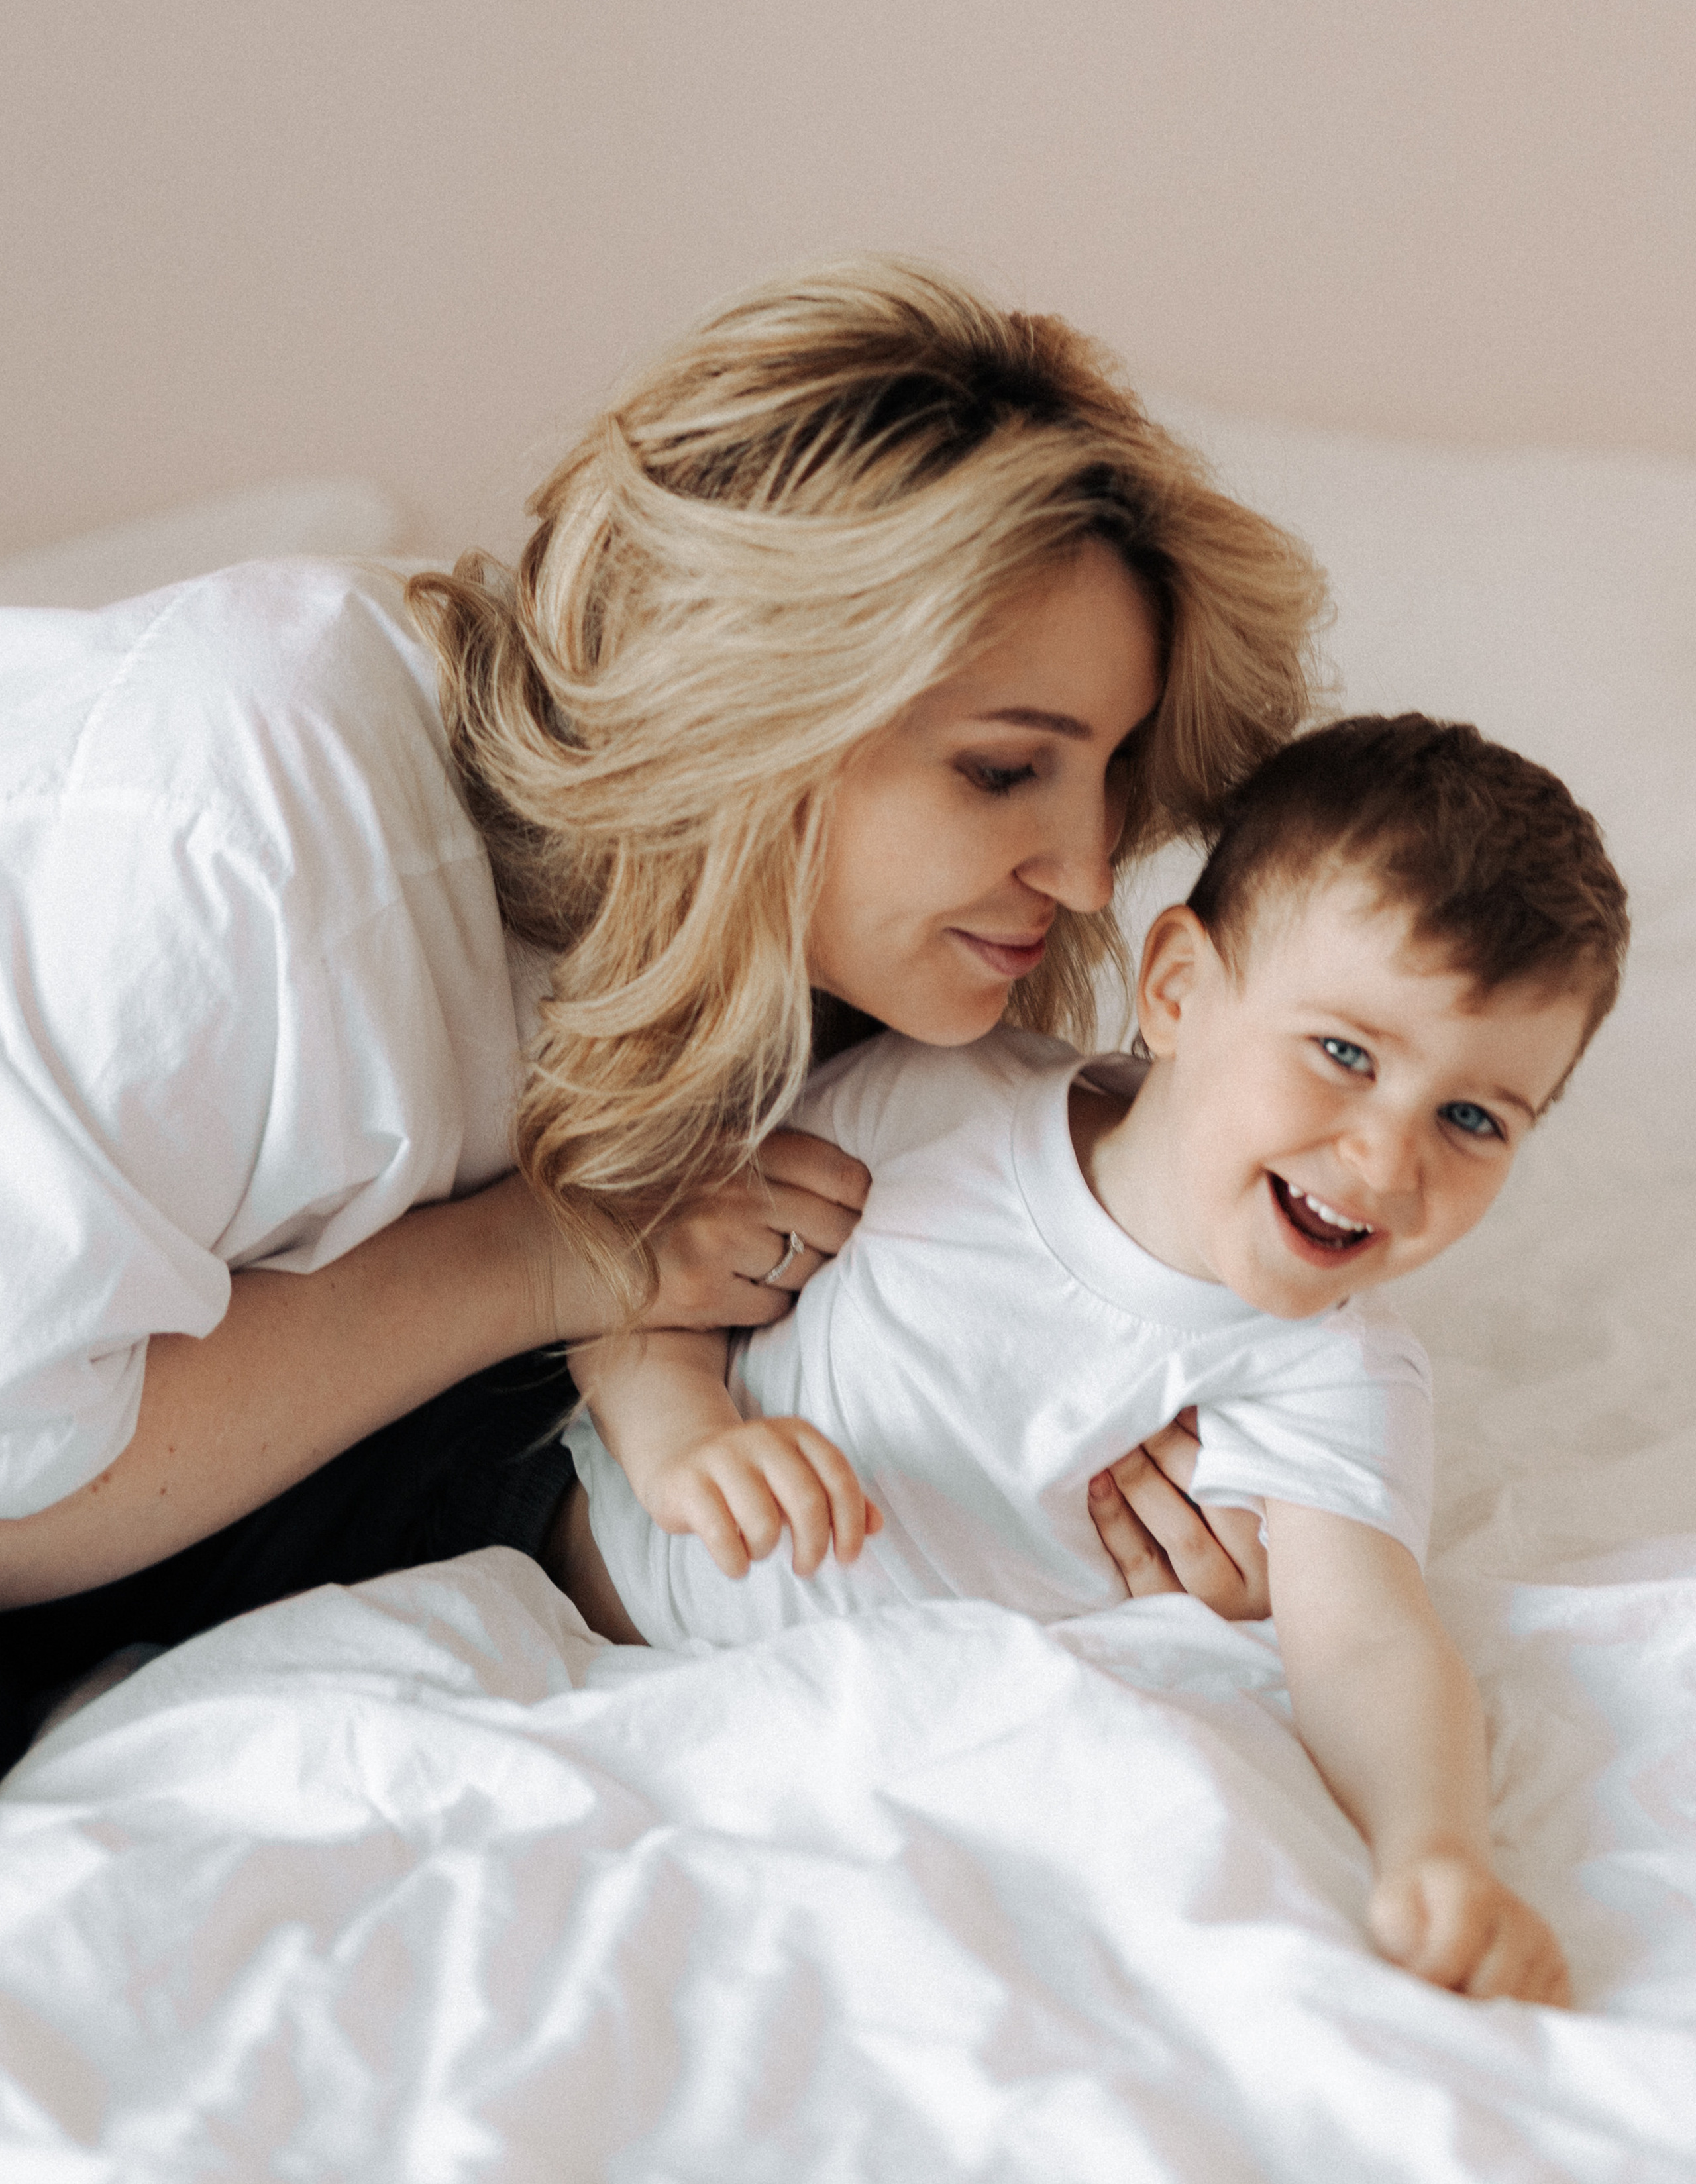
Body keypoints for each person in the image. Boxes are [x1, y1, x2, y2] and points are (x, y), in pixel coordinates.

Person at [0, 259, 1324, 1769]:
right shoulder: (241, 830)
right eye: (1001, 770)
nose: (1087, 874)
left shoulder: (808, 961)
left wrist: (1127, 1455)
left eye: (1113, 771)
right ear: (753, 711)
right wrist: (553, 1255)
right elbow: (17, 1484)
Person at [558, 716, 1630, 2010]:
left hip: (842, 1754)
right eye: (1344, 1054)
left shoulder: (1331, 1369)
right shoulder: (935, 1104)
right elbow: (642, 1276)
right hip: (599, 1593)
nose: (1387, 1161)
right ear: (1175, 989)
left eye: (1471, 1119)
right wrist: (683, 1437)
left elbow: (1366, 1645)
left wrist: (1437, 1851)